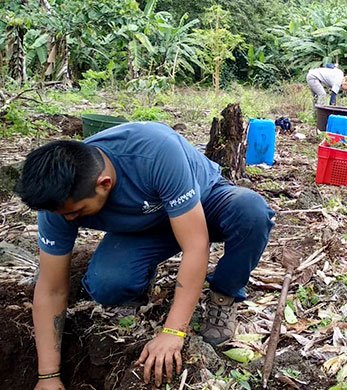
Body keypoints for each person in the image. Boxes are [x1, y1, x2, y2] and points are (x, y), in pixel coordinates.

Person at [14, 122, 274, 389]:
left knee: (250, 211)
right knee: (107, 284)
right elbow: (51, 287)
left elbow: (196, 245)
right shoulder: (59, 203)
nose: (69, 219)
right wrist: (48, 376)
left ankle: (224, 292)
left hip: (203, 207)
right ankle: (138, 283)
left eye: (77, 212)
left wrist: (173, 331)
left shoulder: (155, 152)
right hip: (145, 226)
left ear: (104, 184)